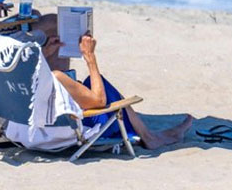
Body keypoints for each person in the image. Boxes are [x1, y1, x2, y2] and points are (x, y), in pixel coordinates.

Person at [42, 32, 194, 150]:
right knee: (98, 83)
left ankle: (147, 135)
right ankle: (149, 137)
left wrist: (46, 54)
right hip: (74, 133)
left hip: (40, 133)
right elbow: (99, 101)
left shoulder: (23, 78)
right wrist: (90, 57)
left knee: (86, 84)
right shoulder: (57, 76)